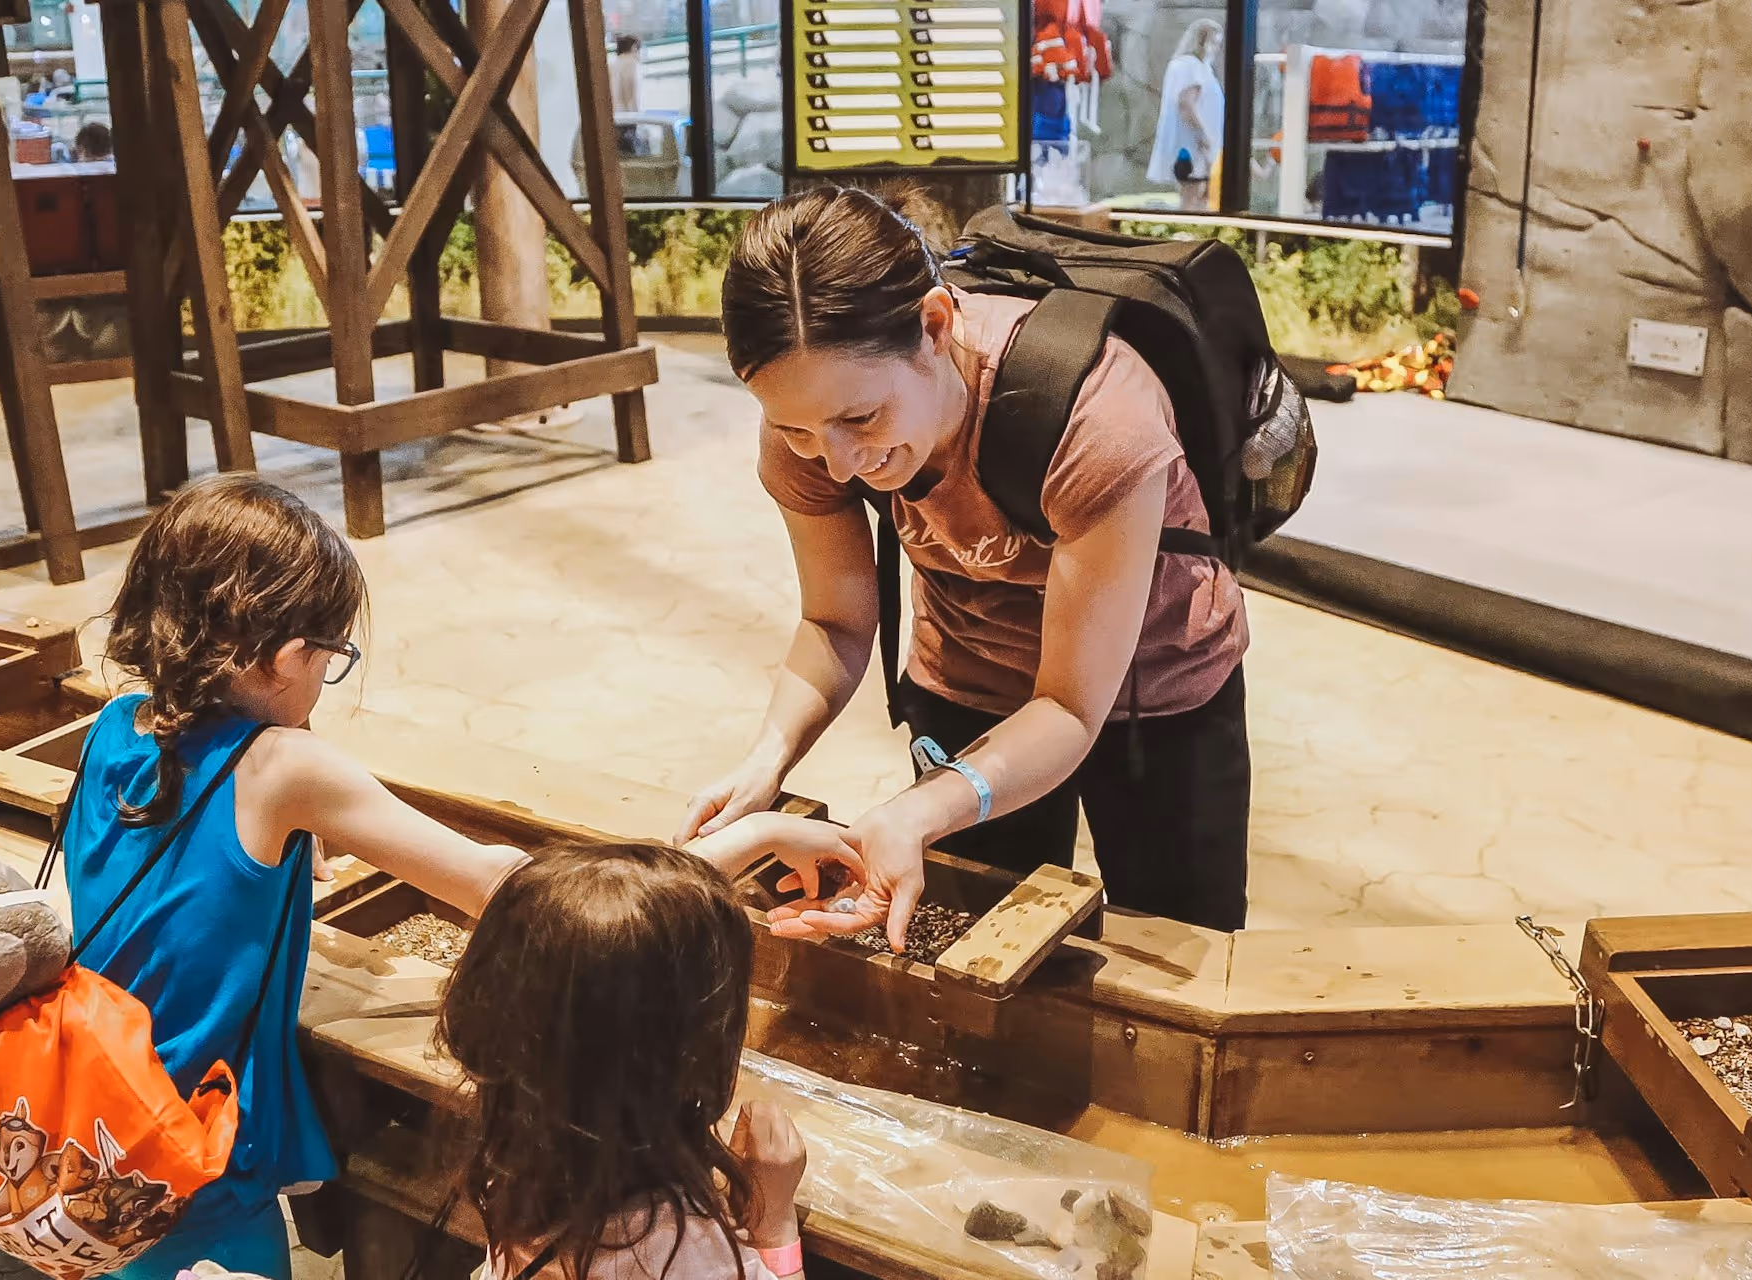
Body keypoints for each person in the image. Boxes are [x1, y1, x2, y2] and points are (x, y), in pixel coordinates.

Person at [65, 475, 842, 1278]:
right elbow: (522, 892)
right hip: (198, 1144)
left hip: (97, 1108)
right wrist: (757, 834)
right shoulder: (282, 767)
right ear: (289, 655)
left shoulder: (113, 728)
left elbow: (178, 868)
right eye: (332, 656)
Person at [678, 187, 1251, 950]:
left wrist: (918, 810)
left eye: (862, 419)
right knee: (972, 928)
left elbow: (1071, 709)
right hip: (969, 673)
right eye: (796, 428)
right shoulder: (811, 425)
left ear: (934, 325)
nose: (839, 461)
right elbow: (835, 620)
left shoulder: (1096, 415)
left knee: (1175, 942)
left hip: (1153, 687)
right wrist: (766, 761)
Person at [442, 842, 809, 1280]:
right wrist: (774, 1220)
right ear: (695, 1055)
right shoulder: (685, 1257)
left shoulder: (517, 1160)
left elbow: (606, 932)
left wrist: (762, 832)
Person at [1146, 20, 1225, 211]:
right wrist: (1204, 134)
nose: (1215, 50)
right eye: (1213, 43)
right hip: (1193, 146)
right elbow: (1186, 104)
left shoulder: (1188, 65)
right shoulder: (1192, 66)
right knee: (1193, 194)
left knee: (1194, 194)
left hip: (1193, 145)